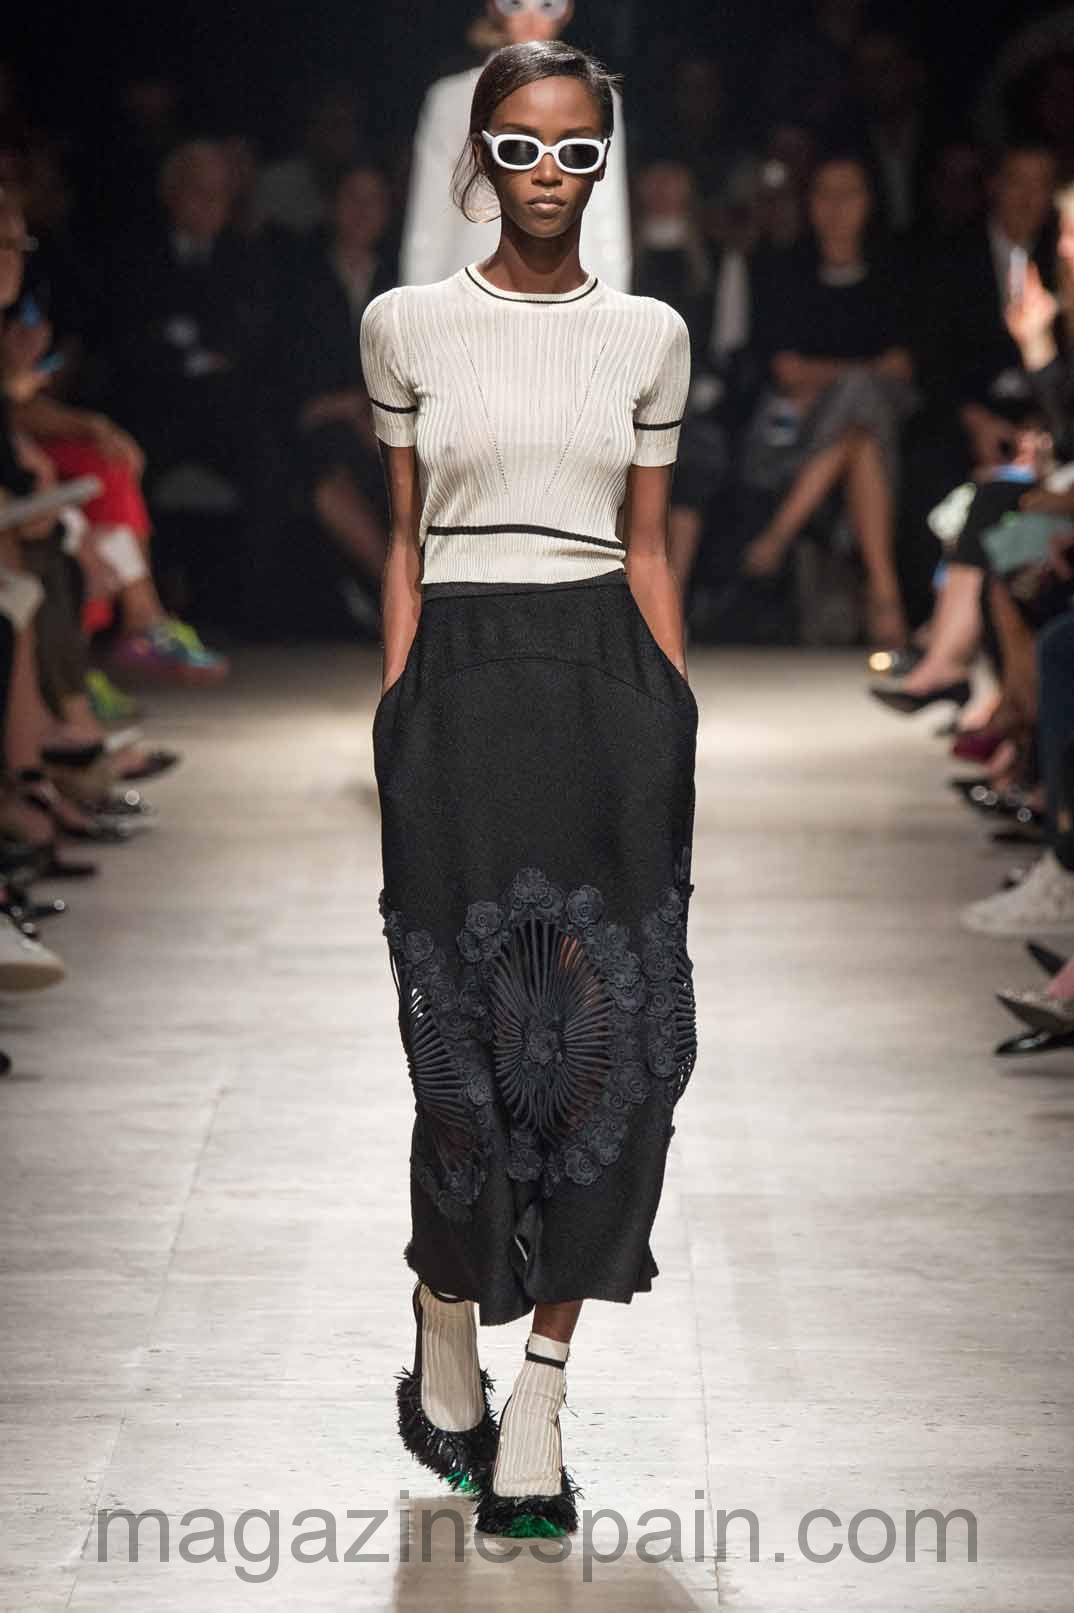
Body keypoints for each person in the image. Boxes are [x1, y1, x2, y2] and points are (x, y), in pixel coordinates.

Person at [361, 38, 697, 1540]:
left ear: (601, 163)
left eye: (574, 148)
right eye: (519, 146)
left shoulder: (647, 335)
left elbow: (650, 539)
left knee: (617, 1042)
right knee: (465, 1051)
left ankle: (543, 1395)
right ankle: (447, 1309)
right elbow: (403, 537)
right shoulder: (404, 326)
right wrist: (397, 710)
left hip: (607, 683)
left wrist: (674, 713)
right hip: (459, 681)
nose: (546, 173)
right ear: (478, 158)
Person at [738, 152, 917, 648]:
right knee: (860, 427)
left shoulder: (893, 274)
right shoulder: (785, 271)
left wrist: (832, 377)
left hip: (882, 425)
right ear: (810, 203)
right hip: (794, 433)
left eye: (849, 194)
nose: (836, 206)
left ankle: (779, 534)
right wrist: (863, 372)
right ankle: (885, 592)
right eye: (825, 194)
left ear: (869, 202)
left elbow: (902, 369)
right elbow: (787, 372)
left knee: (862, 413)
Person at [400, 0, 631, 291]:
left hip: (568, 285)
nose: (531, 17)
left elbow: (607, 214)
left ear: (567, 10)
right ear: (493, 8)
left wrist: (612, 303)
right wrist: (417, 302)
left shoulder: (598, 97)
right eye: (516, 3)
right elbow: (429, 218)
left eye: (547, 4)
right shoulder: (452, 99)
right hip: (468, 282)